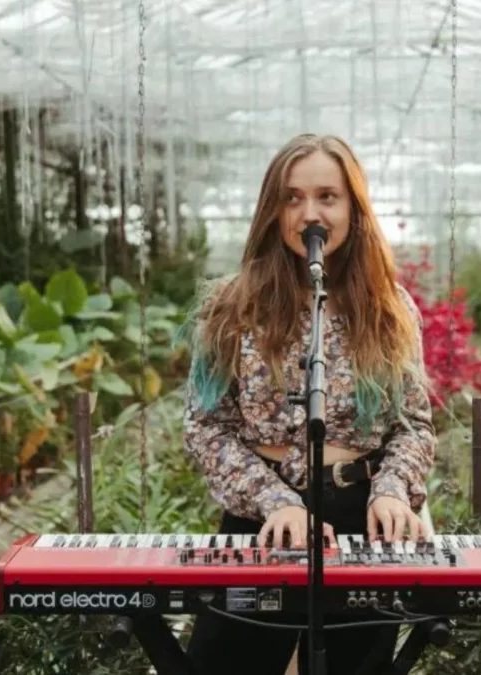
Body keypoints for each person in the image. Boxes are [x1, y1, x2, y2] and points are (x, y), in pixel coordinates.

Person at [179, 133, 437, 675]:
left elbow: (413, 422)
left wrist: (390, 493)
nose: (309, 212)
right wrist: (276, 499)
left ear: (353, 208)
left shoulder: (391, 308)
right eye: (292, 198)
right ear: (272, 210)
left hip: (363, 518)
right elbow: (206, 426)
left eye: (327, 196)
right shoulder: (231, 307)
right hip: (263, 515)